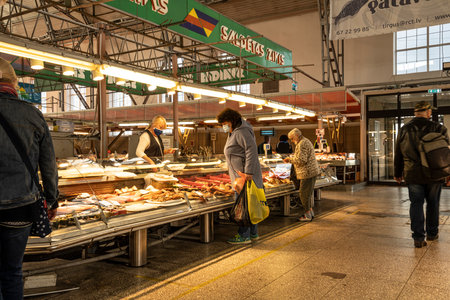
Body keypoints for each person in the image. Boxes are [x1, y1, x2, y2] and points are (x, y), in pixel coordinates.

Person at [0, 57, 59, 299]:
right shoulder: (33, 115)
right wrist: (52, 200)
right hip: (21, 208)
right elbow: (48, 165)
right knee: (12, 271)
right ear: (14, 83)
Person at [394, 101, 449, 248]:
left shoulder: (404, 129)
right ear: (429, 112)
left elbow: (398, 153)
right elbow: (446, 154)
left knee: (416, 204)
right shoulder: (439, 128)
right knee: (433, 203)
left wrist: (397, 173)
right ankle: (432, 233)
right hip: (434, 174)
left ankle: (418, 238)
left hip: (413, 173)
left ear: (415, 112)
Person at [217, 108, 263, 244]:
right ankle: (253, 233)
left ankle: (243, 235)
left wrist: (248, 173)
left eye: (224, 123)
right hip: (239, 176)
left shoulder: (242, 131)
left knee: (243, 206)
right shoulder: (234, 132)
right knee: (250, 205)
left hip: (244, 177)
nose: (223, 126)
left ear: (232, 121)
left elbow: (251, 150)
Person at [284, 128, 320, 222]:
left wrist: (289, 159)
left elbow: (301, 160)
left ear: (296, 136)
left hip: (307, 173)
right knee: (307, 194)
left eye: (292, 138)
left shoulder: (301, 144)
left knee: (303, 194)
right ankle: (310, 213)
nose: (292, 141)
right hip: (311, 172)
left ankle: (307, 215)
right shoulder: (305, 141)